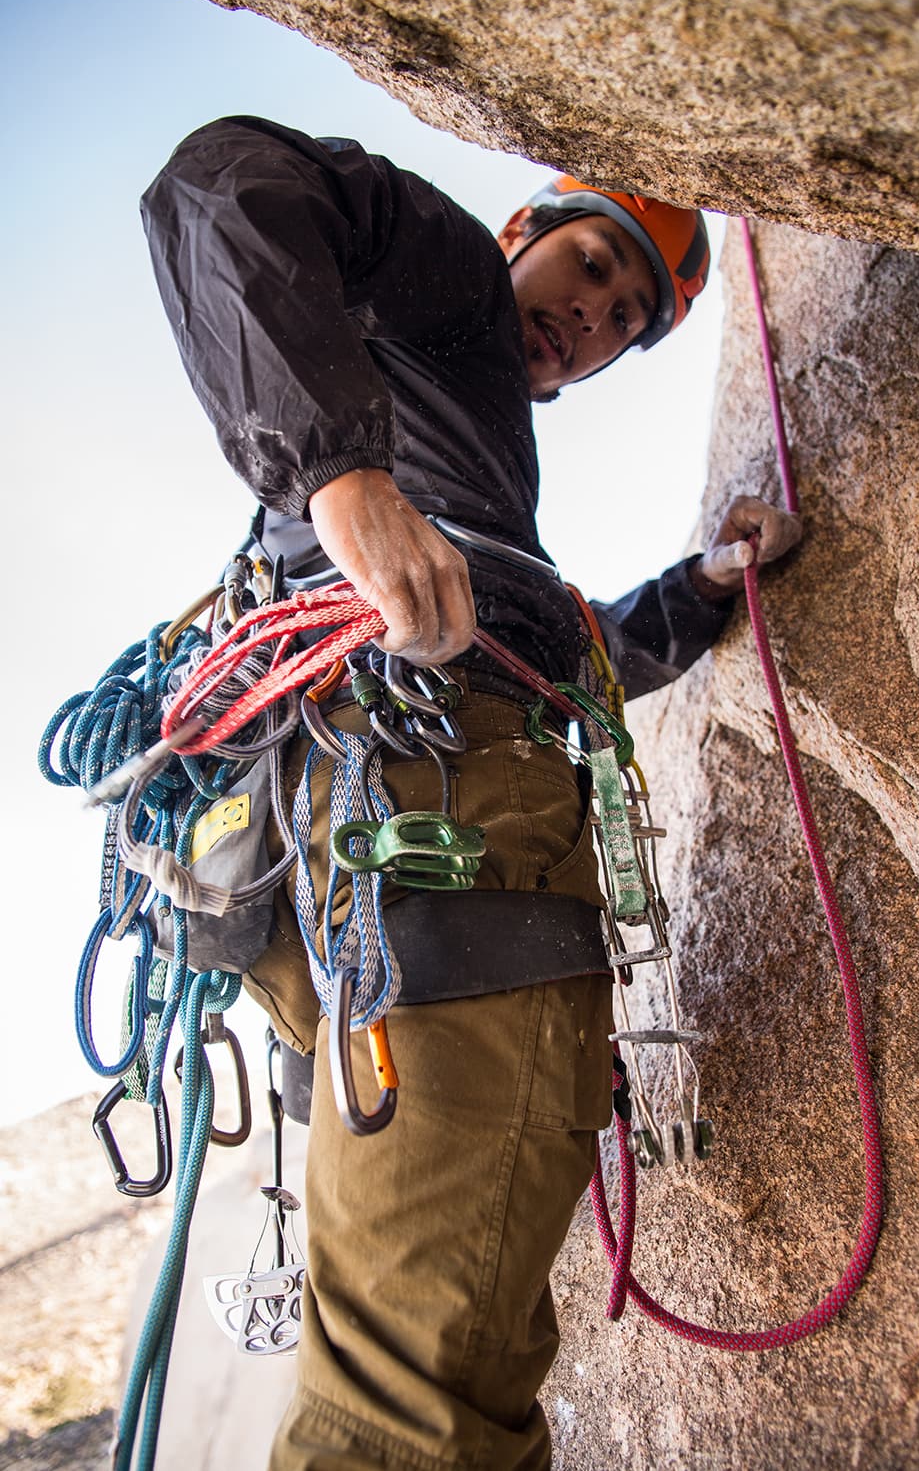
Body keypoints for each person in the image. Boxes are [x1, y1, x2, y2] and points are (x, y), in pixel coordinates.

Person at [142, 115, 801, 1471]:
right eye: (593, 263)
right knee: (420, 1383)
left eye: (628, 316)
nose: (597, 315)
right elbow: (220, 181)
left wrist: (706, 589)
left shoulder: (474, 452)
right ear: (521, 229)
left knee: (436, 1316)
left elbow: (558, 654)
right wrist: (342, 477)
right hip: (425, 795)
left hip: (342, 817)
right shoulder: (445, 285)